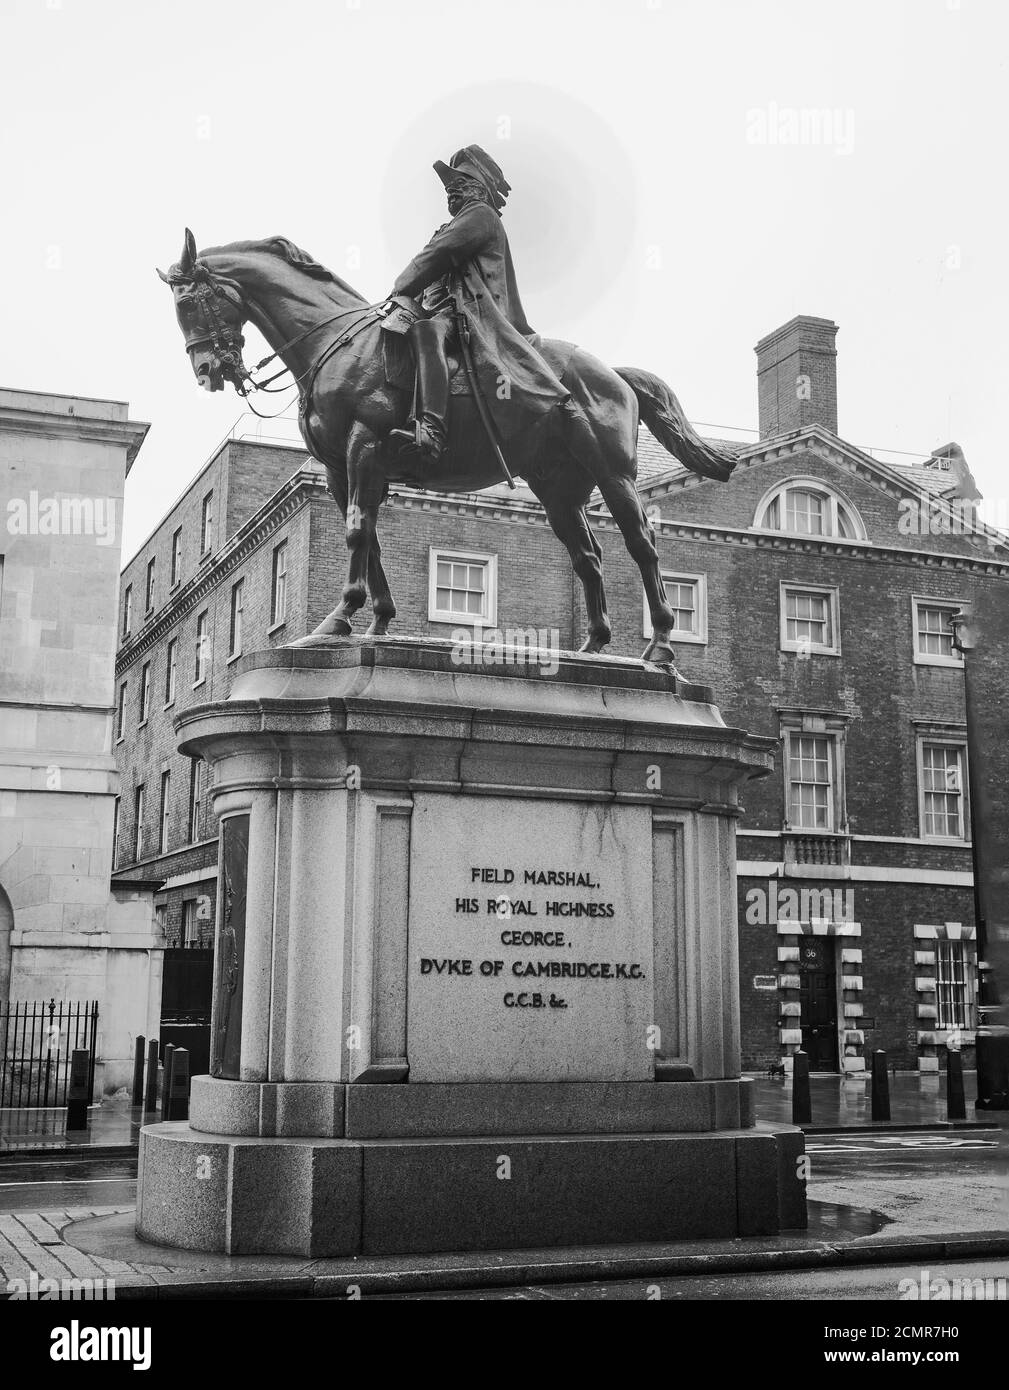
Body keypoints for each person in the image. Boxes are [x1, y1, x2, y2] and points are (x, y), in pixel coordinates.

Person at [387, 144, 569, 469]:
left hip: (472, 319)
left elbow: (432, 259)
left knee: (426, 331)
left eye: (459, 184)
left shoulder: (479, 216)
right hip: (444, 313)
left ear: (479, 188)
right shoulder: (453, 225)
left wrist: (398, 288)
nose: (450, 191)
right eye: (448, 187)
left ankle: (432, 429)